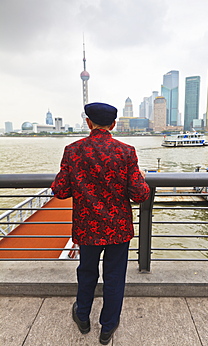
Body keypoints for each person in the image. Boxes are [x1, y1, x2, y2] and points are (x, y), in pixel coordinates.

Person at [51, 102, 150, 345]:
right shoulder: (127, 152)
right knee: (115, 277)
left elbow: (60, 191)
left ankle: (82, 316)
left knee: (86, 273)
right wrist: (142, 180)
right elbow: (139, 194)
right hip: (118, 228)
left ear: (88, 123)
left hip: (87, 228)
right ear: (113, 125)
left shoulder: (73, 151)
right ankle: (108, 327)